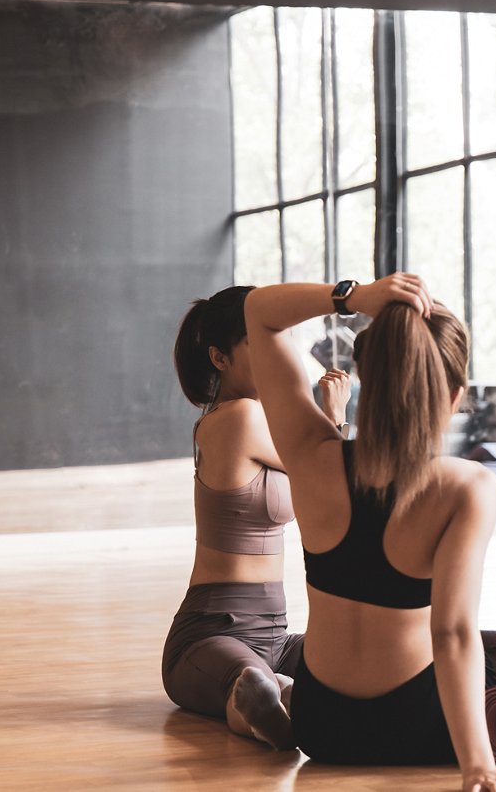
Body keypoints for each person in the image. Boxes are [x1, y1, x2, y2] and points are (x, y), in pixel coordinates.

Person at [244, 273, 496, 791]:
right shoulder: (466, 486)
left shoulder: (311, 456)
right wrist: (478, 766)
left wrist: (352, 297)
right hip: (421, 726)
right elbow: (452, 634)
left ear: (368, 378)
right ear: (456, 394)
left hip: (321, 727)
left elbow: (259, 310)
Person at [163, 285, 350, 748]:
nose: (276, 352)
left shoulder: (269, 420)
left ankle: (283, 693)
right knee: (250, 679)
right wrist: (336, 415)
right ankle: (269, 701)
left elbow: (335, 486)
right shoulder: (238, 419)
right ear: (219, 358)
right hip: (208, 636)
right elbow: (335, 470)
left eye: (280, 340)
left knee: (362, 656)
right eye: (260, 341)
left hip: (276, 635)